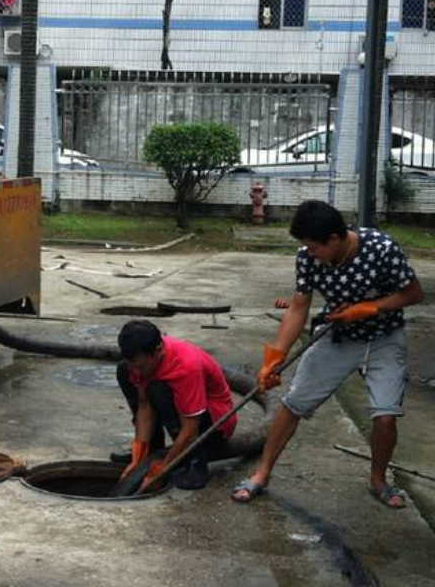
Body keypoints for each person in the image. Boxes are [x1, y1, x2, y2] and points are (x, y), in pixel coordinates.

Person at [231, 200, 424, 508]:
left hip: (384, 337)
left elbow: (414, 293)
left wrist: (368, 308)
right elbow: (298, 306)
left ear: (335, 239)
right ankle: (261, 473)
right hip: (339, 337)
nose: (310, 253)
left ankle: (378, 480)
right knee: (293, 404)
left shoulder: (382, 249)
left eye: (314, 247)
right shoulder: (307, 258)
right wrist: (274, 358)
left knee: (385, 416)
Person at [114, 320, 237, 491]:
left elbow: (190, 431)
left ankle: (195, 462)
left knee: (158, 389)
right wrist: (139, 455)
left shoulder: (186, 366)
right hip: (183, 415)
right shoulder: (140, 364)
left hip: (212, 425)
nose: (136, 371)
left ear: (158, 351)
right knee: (123, 371)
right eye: (132, 364)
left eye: (140, 366)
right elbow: (144, 406)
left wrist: (162, 469)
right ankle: (151, 451)